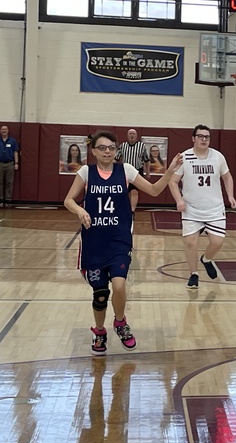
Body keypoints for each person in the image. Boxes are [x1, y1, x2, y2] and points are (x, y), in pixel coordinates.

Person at [63, 130, 182, 355]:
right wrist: (79, 210)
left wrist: (169, 171)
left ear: (116, 151)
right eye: (102, 147)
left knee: (119, 285)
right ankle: (99, 332)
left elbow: (155, 191)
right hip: (93, 241)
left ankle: (120, 322)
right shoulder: (86, 172)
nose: (107, 151)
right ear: (94, 151)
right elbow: (68, 200)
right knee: (100, 294)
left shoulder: (125, 170)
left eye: (111, 147)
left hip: (119, 239)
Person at [169, 125, 236, 289]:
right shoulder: (185, 157)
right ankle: (194, 274)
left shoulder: (217, 157)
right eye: (200, 136)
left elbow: (227, 177)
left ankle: (206, 259)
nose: (204, 139)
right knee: (191, 243)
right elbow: (172, 181)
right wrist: (179, 200)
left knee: (217, 242)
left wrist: (230, 195)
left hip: (214, 208)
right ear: (193, 138)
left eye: (207, 136)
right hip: (191, 208)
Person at [115, 129, 150, 214]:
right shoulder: (123, 146)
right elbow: (116, 159)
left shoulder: (142, 146)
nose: (132, 135)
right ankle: (125, 209)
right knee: (124, 192)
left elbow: (147, 160)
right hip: (125, 171)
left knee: (134, 191)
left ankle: (132, 211)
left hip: (137, 171)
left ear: (136, 136)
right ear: (127, 135)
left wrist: (148, 172)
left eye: (133, 134)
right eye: (130, 134)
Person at [0, 125, 19, 206]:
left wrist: (16, 163)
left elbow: (15, 152)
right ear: (0, 131)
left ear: (8, 130)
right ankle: (0, 199)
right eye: (2, 129)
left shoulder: (13, 141)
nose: (4, 131)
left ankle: (8, 199)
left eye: (5, 129)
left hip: (10, 163)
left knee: (9, 182)